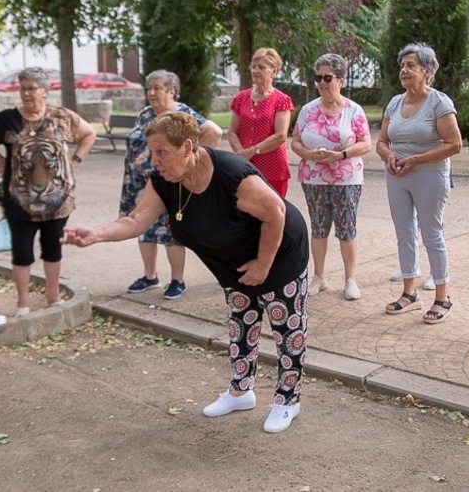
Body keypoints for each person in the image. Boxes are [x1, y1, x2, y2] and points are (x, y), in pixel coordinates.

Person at [63, 112, 310, 433]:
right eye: (152, 152)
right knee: (242, 322)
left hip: (278, 251)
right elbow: (136, 220)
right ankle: (241, 392)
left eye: (162, 152)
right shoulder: (164, 180)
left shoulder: (231, 175)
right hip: (232, 259)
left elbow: (276, 212)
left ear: (188, 148)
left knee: (286, 326)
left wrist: (263, 265)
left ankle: (288, 400)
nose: (154, 161)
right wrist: (95, 234)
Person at [0, 67, 97, 316]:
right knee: (22, 251)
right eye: (23, 89)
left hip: (58, 199)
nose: (26, 94)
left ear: (45, 91)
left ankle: (53, 297)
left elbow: (89, 133)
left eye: (31, 88)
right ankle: (23, 304)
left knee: (53, 249)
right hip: (18, 198)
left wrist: (75, 161)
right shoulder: (7, 119)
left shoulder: (61, 116)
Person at [377, 43, 463, 323]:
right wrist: (389, 156)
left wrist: (416, 159)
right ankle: (409, 293)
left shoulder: (439, 102)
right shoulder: (394, 103)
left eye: (411, 65)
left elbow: (454, 144)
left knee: (431, 235)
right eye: (402, 65)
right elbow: (381, 141)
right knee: (404, 234)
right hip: (397, 176)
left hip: (429, 175)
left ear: (426, 71)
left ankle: (442, 297)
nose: (404, 70)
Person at [121, 70, 223, 299]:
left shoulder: (180, 115)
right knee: (142, 226)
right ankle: (150, 276)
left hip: (168, 181)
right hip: (138, 182)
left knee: (170, 230)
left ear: (171, 91)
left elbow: (214, 131)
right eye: (149, 88)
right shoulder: (146, 113)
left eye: (157, 88)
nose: (151, 93)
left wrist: (192, 164)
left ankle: (177, 280)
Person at [290, 54, 372, 300]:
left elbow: (366, 143)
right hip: (313, 178)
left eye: (328, 78)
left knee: (346, 227)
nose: (322, 83)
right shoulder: (308, 110)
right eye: (318, 78)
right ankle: (319, 277)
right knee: (318, 227)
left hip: (346, 179)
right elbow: (295, 140)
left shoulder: (353, 110)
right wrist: (308, 154)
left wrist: (341, 155)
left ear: (340, 80)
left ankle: (350, 279)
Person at [228, 47, 295, 197]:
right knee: (244, 208)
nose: (256, 71)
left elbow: (280, 136)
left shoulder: (281, 100)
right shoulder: (241, 98)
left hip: (272, 168)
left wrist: (252, 151)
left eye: (261, 67)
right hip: (245, 167)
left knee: (274, 209)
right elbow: (232, 132)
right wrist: (241, 155)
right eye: (253, 67)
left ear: (274, 71)